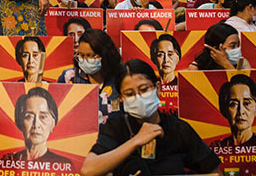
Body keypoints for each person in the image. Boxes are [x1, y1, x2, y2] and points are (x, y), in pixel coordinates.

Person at [81, 59, 222, 176]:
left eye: (144, 90)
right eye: (130, 93)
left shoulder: (178, 129)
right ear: (121, 98)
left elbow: (215, 172)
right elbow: (88, 170)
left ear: (158, 88)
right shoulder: (116, 126)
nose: (139, 97)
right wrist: (136, 141)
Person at [57, 29, 122, 125]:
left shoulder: (119, 79)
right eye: (81, 55)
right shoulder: (69, 77)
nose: (85, 60)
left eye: (90, 56)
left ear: (104, 55)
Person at [0, 87, 73, 166]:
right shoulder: (8, 162)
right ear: (19, 123)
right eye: (29, 117)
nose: (36, 125)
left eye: (43, 117)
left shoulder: (63, 165)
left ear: (53, 123)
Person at [211, 74, 256, 149]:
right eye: (233, 104)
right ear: (224, 110)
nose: (241, 111)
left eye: (247, 103)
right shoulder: (217, 147)